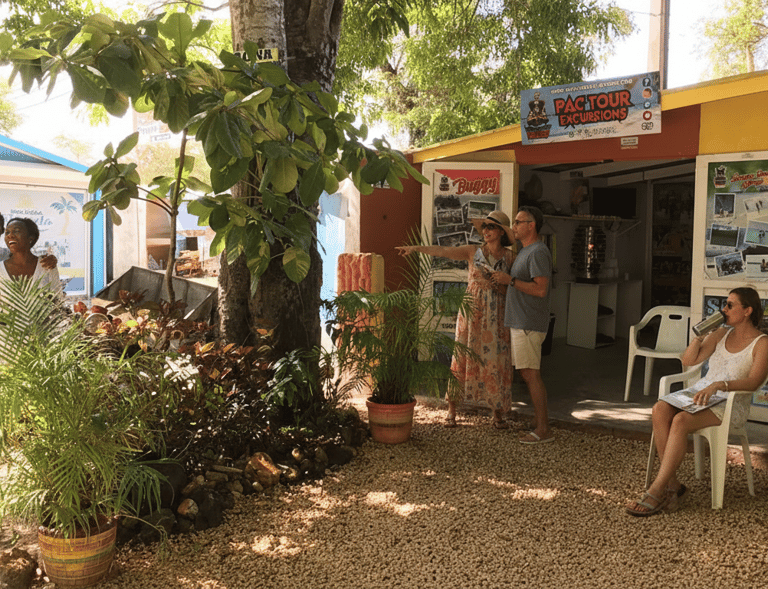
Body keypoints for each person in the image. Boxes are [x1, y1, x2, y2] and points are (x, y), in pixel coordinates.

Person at [626, 286, 768, 516]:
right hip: (702, 393)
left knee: (681, 421)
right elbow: (689, 359)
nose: (724, 309)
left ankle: (657, 488)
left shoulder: (762, 343)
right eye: (725, 304)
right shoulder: (721, 333)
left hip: (730, 402)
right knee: (660, 408)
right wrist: (698, 339)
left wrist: (721, 385)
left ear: (747, 311)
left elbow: (754, 382)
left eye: (730, 305)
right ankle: (673, 485)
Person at [396, 210, 515, 428]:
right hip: (473, 311)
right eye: (484, 227)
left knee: (496, 359)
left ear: (501, 232)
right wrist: (416, 249)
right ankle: (451, 409)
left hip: (498, 312)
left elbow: (515, 289)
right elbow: (443, 251)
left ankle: (496, 412)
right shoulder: (473, 251)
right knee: (461, 356)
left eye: (491, 227)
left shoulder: (509, 257)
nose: (485, 231)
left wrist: (503, 284)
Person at [494, 206, 553, 444]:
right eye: (515, 222)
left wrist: (511, 280)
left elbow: (540, 289)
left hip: (529, 322)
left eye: (519, 222)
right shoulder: (526, 251)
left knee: (531, 374)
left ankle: (543, 429)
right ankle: (540, 421)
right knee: (527, 373)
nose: (514, 226)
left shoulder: (538, 252)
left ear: (532, 225)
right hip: (521, 321)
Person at [0, 218, 62, 298]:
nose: (10, 235)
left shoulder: (47, 265)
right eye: (7, 233)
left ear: (31, 238)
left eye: (16, 231)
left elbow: (58, 300)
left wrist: (52, 259)